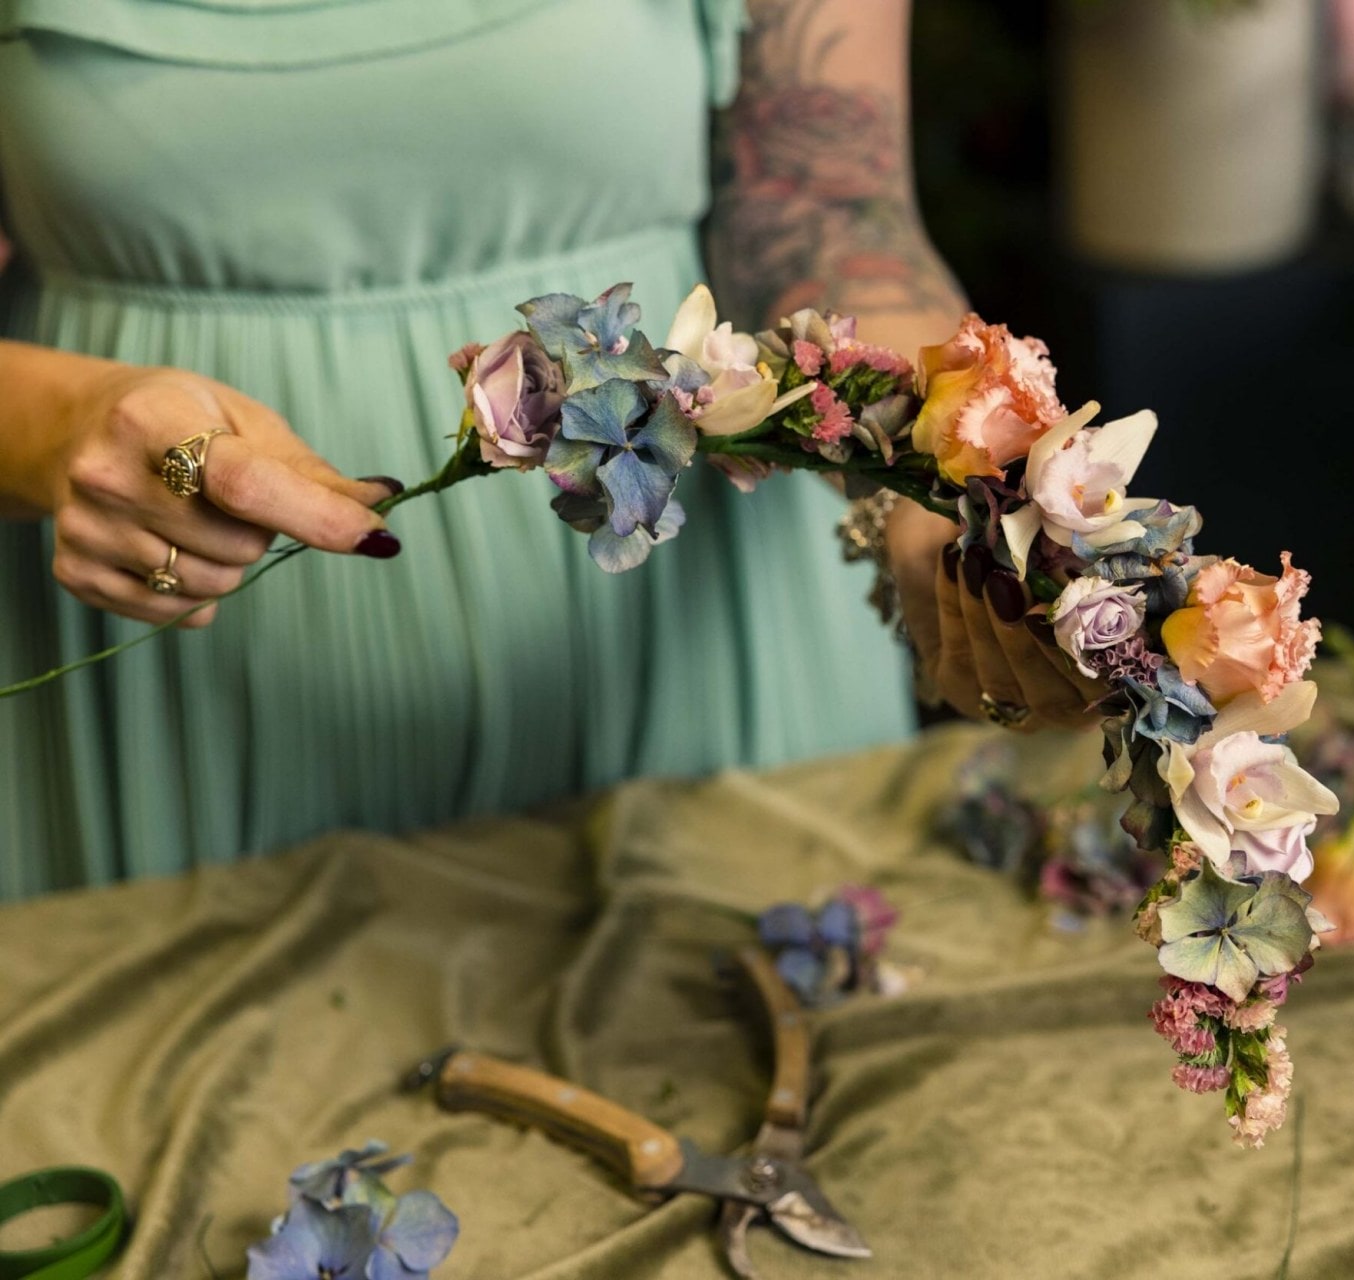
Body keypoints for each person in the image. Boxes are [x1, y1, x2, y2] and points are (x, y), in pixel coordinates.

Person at [0, 0, 1099, 901]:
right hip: (167, 722)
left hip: (697, 690)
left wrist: (939, 474)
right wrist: (59, 423)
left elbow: (831, 214)